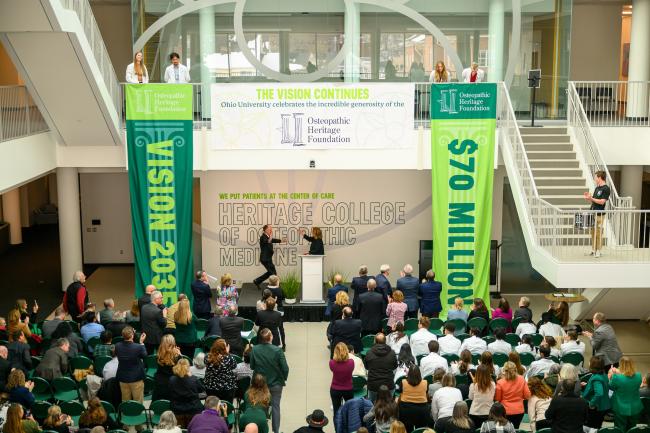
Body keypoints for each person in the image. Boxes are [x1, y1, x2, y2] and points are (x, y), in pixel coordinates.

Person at [250, 328, 289, 433]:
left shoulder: (255, 349)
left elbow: (252, 366)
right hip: (276, 383)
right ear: (271, 337)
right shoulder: (278, 350)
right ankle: (276, 431)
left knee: (262, 407)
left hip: (260, 384)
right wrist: (283, 378)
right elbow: (285, 368)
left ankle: (263, 430)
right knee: (276, 407)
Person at [609, 356, 643, 431]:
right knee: (632, 429)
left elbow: (611, 387)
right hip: (635, 407)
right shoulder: (638, 376)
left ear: (621, 365)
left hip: (620, 407)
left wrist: (611, 375)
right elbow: (628, 376)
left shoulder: (616, 377)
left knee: (620, 428)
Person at [169, 358, 205, 427]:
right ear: (188, 367)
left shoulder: (172, 379)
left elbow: (170, 392)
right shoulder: (193, 379)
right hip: (193, 409)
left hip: (177, 409)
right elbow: (203, 392)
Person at [115, 326, 147, 402]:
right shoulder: (138, 347)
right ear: (132, 335)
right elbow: (145, 356)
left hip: (123, 377)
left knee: (125, 401)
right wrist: (142, 343)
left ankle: (126, 413)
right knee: (138, 401)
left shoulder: (117, 345)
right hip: (136, 378)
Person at [495, 362, 531, 428]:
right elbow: (527, 395)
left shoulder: (500, 382)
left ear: (504, 371)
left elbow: (497, 399)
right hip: (519, 411)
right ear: (515, 370)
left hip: (505, 411)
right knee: (516, 429)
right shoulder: (522, 379)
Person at [583, 170, 610, 258]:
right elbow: (594, 200)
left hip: (599, 214)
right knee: (592, 232)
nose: (594, 179)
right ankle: (593, 249)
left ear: (599, 178)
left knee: (598, 233)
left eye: (595, 177)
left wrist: (592, 198)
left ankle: (598, 250)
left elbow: (602, 202)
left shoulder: (606, 189)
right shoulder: (597, 188)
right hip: (593, 213)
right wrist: (589, 198)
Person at [398, 365, 432, 432]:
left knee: (407, 429)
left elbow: (400, 391)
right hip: (422, 410)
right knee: (420, 430)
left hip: (405, 410)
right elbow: (426, 392)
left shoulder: (403, 382)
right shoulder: (425, 382)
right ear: (419, 373)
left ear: (409, 373)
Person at [364, 333, 397, 402]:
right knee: (388, 406)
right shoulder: (392, 353)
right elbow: (395, 367)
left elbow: (366, 367)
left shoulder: (369, 353)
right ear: (385, 341)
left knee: (372, 407)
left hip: (373, 385)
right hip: (388, 385)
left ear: (375, 341)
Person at [581, 356, 611, 429]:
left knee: (592, 427)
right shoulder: (603, 374)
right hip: (603, 405)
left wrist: (592, 404)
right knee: (597, 425)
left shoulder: (596, 378)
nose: (588, 363)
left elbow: (599, 393)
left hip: (597, 407)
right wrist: (587, 385)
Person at [253, 225, 284, 289]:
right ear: (266, 230)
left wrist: (281, 240)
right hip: (265, 259)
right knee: (273, 273)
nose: (271, 230)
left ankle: (257, 281)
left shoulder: (267, 237)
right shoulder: (263, 237)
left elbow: (272, 240)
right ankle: (276, 286)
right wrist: (270, 238)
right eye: (270, 229)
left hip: (268, 258)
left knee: (271, 272)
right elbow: (267, 241)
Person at [152, 334, 181, 401]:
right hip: (172, 383)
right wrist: (179, 354)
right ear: (173, 343)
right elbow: (179, 369)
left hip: (160, 382)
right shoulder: (177, 357)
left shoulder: (158, 354)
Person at [329, 342, 354, 416]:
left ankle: (337, 426)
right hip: (348, 389)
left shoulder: (332, 363)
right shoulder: (351, 363)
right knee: (349, 410)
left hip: (335, 389)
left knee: (336, 411)